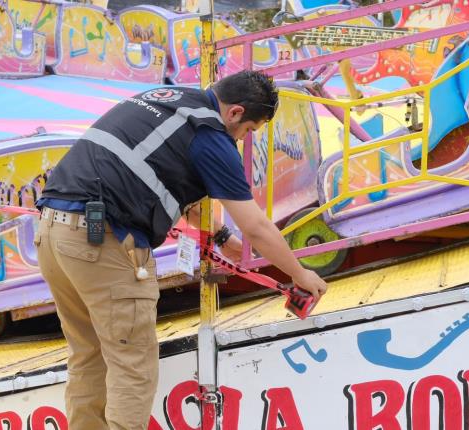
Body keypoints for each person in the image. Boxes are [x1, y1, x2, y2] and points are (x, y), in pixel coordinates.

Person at [35, 70, 328, 430]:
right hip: (102, 244)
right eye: (248, 130)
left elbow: (164, 182)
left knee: (89, 357)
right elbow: (257, 226)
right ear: (235, 113)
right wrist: (300, 274)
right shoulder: (211, 136)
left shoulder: (165, 99)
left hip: (53, 234)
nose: (242, 138)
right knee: (133, 366)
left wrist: (221, 238)